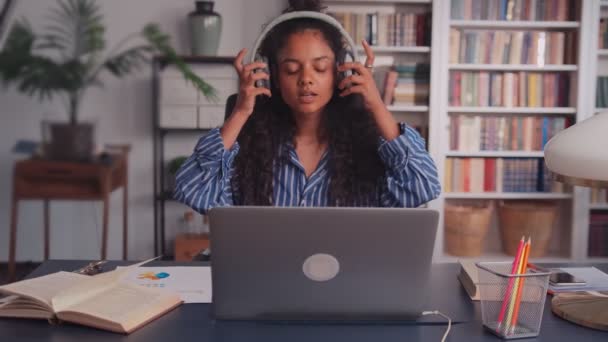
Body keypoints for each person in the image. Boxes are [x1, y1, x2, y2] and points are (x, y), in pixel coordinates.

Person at [174, 0, 440, 214]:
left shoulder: (367, 145)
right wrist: (242, 111)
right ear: (272, 76)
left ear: (340, 72)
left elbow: (424, 186)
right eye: (291, 70)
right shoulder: (251, 145)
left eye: (320, 67)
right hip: (267, 278)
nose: (306, 79)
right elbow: (193, 190)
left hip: (350, 279)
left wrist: (375, 104)